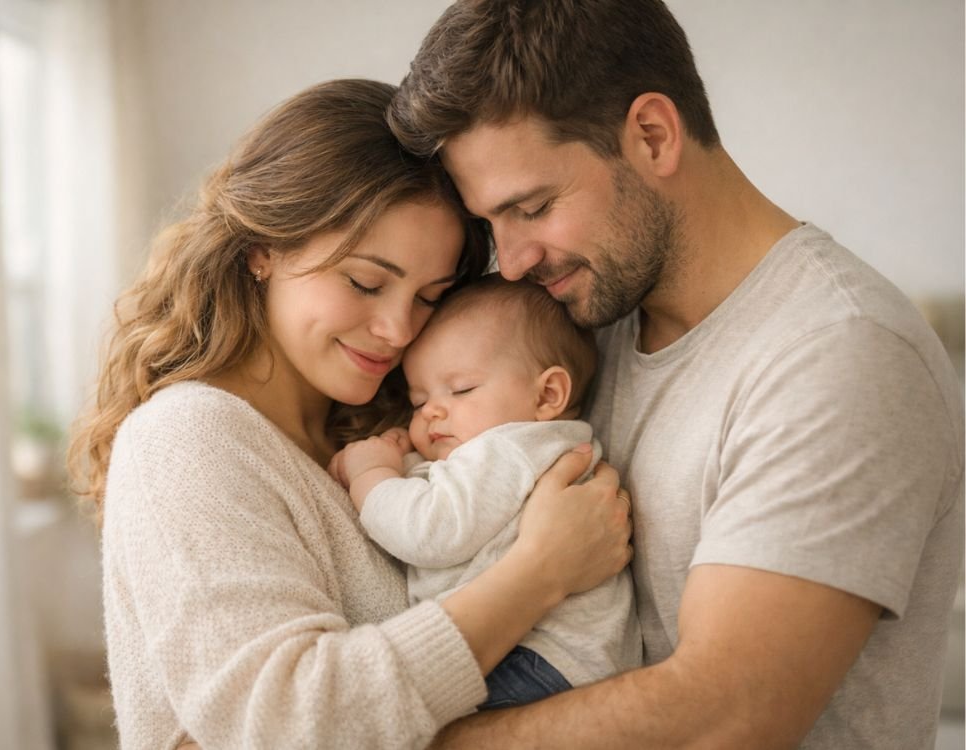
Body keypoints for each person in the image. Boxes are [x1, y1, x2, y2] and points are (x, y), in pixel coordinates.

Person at [386, 1, 966, 748]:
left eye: (531, 207)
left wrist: (383, 735)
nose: (515, 259)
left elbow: (725, 716)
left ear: (653, 136)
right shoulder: (578, 318)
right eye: (493, 224)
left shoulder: (840, 353)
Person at [68, 78, 633, 750]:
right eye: (365, 282)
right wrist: (541, 571)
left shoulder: (378, 427)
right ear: (263, 251)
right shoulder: (186, 438)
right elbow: (287, 723)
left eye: (429, 296)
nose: (397, 330)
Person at [329, 275, 640, 710]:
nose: (433, 411)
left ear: (548, 394)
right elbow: (469, 498)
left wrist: (372, 475)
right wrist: (409, 462)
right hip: (562, 662)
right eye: (419, 401)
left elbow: (431, 529)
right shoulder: (530, 448)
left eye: (462, 389)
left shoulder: (508, 448)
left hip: (537, 663)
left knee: (389, 720)